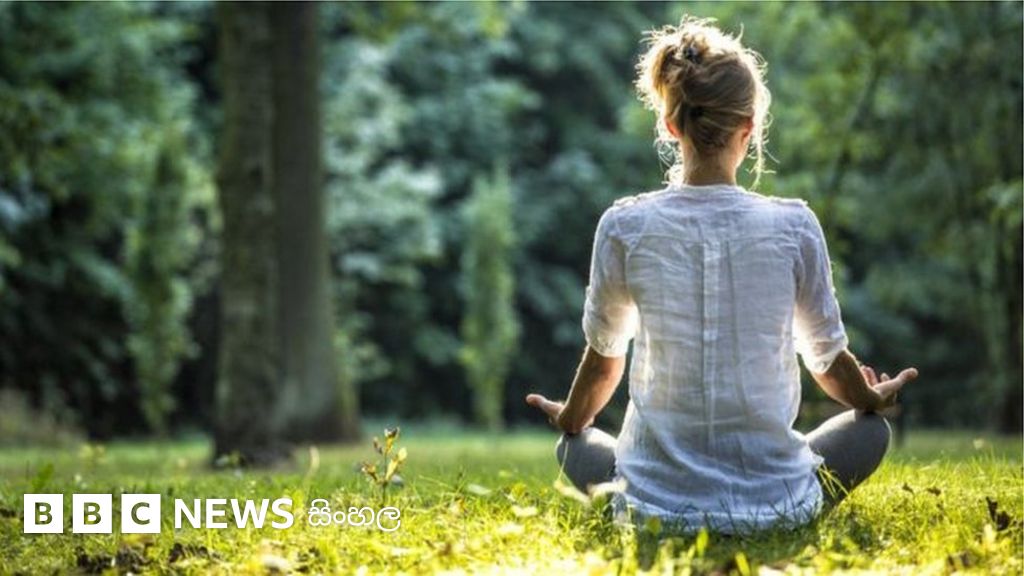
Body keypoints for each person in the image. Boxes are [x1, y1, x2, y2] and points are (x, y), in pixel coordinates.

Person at [525, 16, 918, 533]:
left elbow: (603, 365)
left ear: (671, 126)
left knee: (572, 445)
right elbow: (826, 361)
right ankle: (781, 505)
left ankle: (653, 494)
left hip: (652, 509)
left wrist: (571, 418)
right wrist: (870, 398)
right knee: (870, 433)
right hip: (775, 504)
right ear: (748, 128)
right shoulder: (794, 226)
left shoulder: (624, 226)